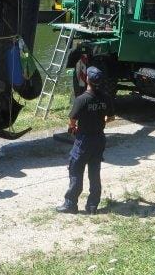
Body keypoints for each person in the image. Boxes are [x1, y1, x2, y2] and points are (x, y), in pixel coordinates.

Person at [57, 66, 114, 214]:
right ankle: (92, 206)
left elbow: (72, 120)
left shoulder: (81, 100)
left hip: (84, 141)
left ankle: (70, 204)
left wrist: (72, 127)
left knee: (75, 170)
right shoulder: (106, 98)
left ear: (87, 79)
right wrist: (100, 121)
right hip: (99, 139)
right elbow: (111, 117)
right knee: (94, 173)